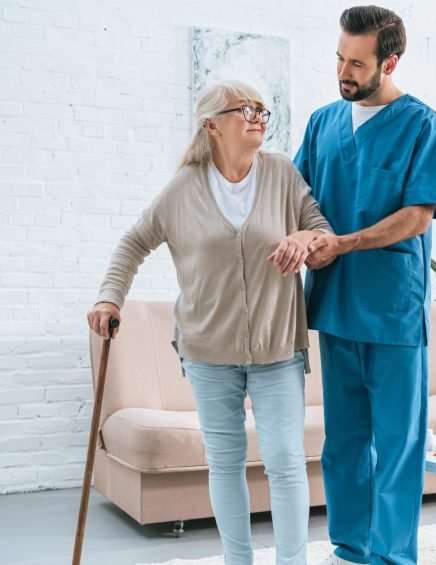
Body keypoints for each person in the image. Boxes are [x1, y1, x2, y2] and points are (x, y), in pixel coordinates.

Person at [87, 79, 333, 565]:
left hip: (278, 348)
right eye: (246, 109)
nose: (259, 117)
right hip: (207, 352)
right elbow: (134, 242)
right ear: (212, 125)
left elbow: (322, 231)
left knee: (285, 463)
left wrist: (306, 239)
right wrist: (109, 297)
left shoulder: (282, 174)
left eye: (263, 109)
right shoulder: (184, 188)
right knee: (225, 464)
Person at [293, 6, 436, 565]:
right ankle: (351, 549)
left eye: (356, 62)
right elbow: (298, 199)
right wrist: (305, 239)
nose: (343, 70)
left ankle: (391, 558)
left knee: (397, 444)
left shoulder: (423, 125)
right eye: (339, 58)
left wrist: (342, 243)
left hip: (392, 309)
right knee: (342, 444)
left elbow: (417, 216)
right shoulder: (322, 123)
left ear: (388, 62)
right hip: (336, 308)